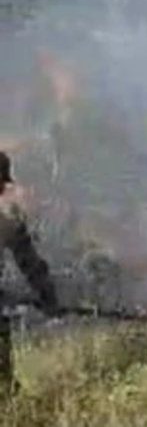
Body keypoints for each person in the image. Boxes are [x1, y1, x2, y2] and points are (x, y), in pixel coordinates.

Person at [0, 150, 61, 396]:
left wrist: (46, 297)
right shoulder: (6, 222)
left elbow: (32, 265)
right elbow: (32, 266)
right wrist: (48, 299)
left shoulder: (7, 222)